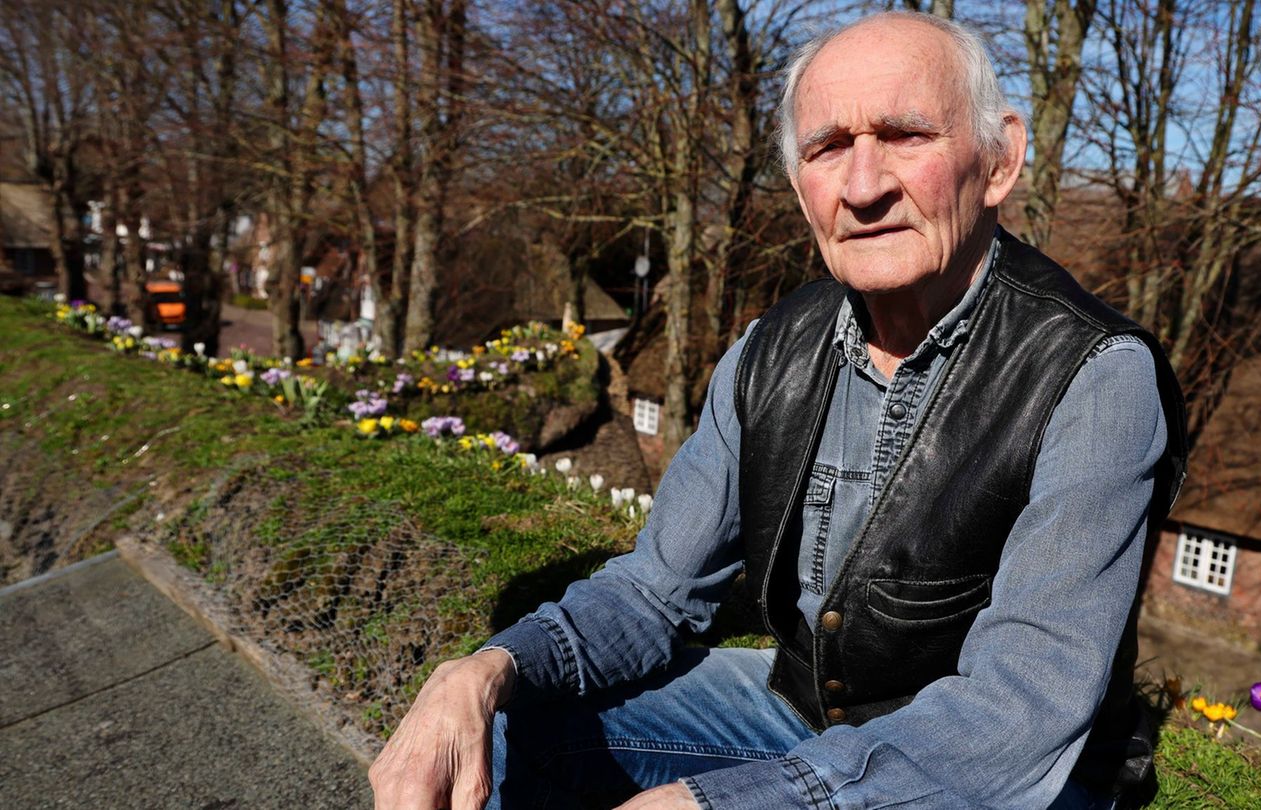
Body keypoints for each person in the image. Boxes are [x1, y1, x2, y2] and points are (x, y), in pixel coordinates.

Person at [369, 11, 1186, 810]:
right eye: (828, 148)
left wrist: (714, 802)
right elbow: (653, 593)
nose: (864, 187)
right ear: (801, 189)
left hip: (995, 775)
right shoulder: (772, 350)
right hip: (800, 711)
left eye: (906, 135)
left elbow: (1017, 715)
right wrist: (484, 670)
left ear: (1000, 160)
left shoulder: (1094, 375)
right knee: (494, 732)